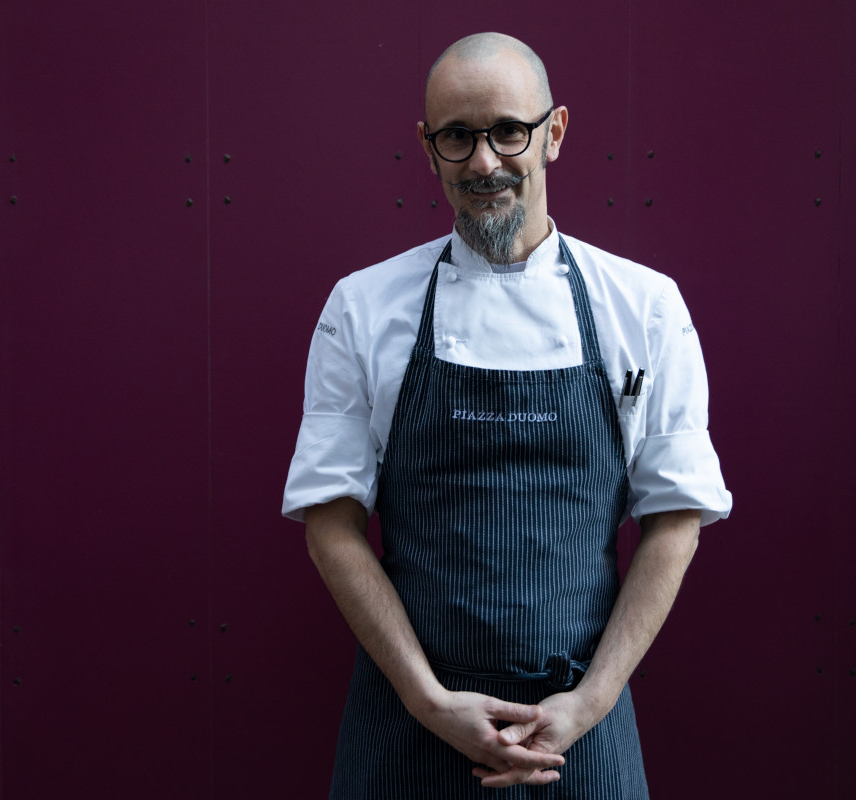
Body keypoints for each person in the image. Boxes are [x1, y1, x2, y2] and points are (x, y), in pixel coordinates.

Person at [282, 32, 731, 798]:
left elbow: (675, 520)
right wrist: (429, 700)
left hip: (580, 730)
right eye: (458, 137)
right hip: (410, 725)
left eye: (507, 131)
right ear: (429, 149)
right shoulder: (362, 308)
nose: (484, 163)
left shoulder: (644, 307)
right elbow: (330, 523)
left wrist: (588, 704)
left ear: (553, 133)